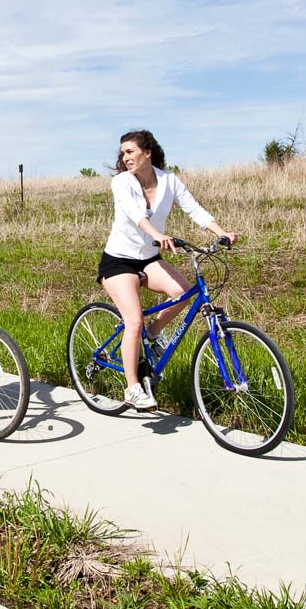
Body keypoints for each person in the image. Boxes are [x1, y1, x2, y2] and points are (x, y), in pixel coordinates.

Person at [99, 129, 237, 411]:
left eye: (130, 152)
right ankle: (133, 388)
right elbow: (135, 214)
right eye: (122, 153)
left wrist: (222, 232)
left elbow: (195, 210)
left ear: (147, 152)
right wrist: (158, 235)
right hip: (119, 261)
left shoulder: (169, 181)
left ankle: (155, 332)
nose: (125, 157)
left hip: (148, 258)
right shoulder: (122, 183)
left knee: (183, 293)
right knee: (133, 321)